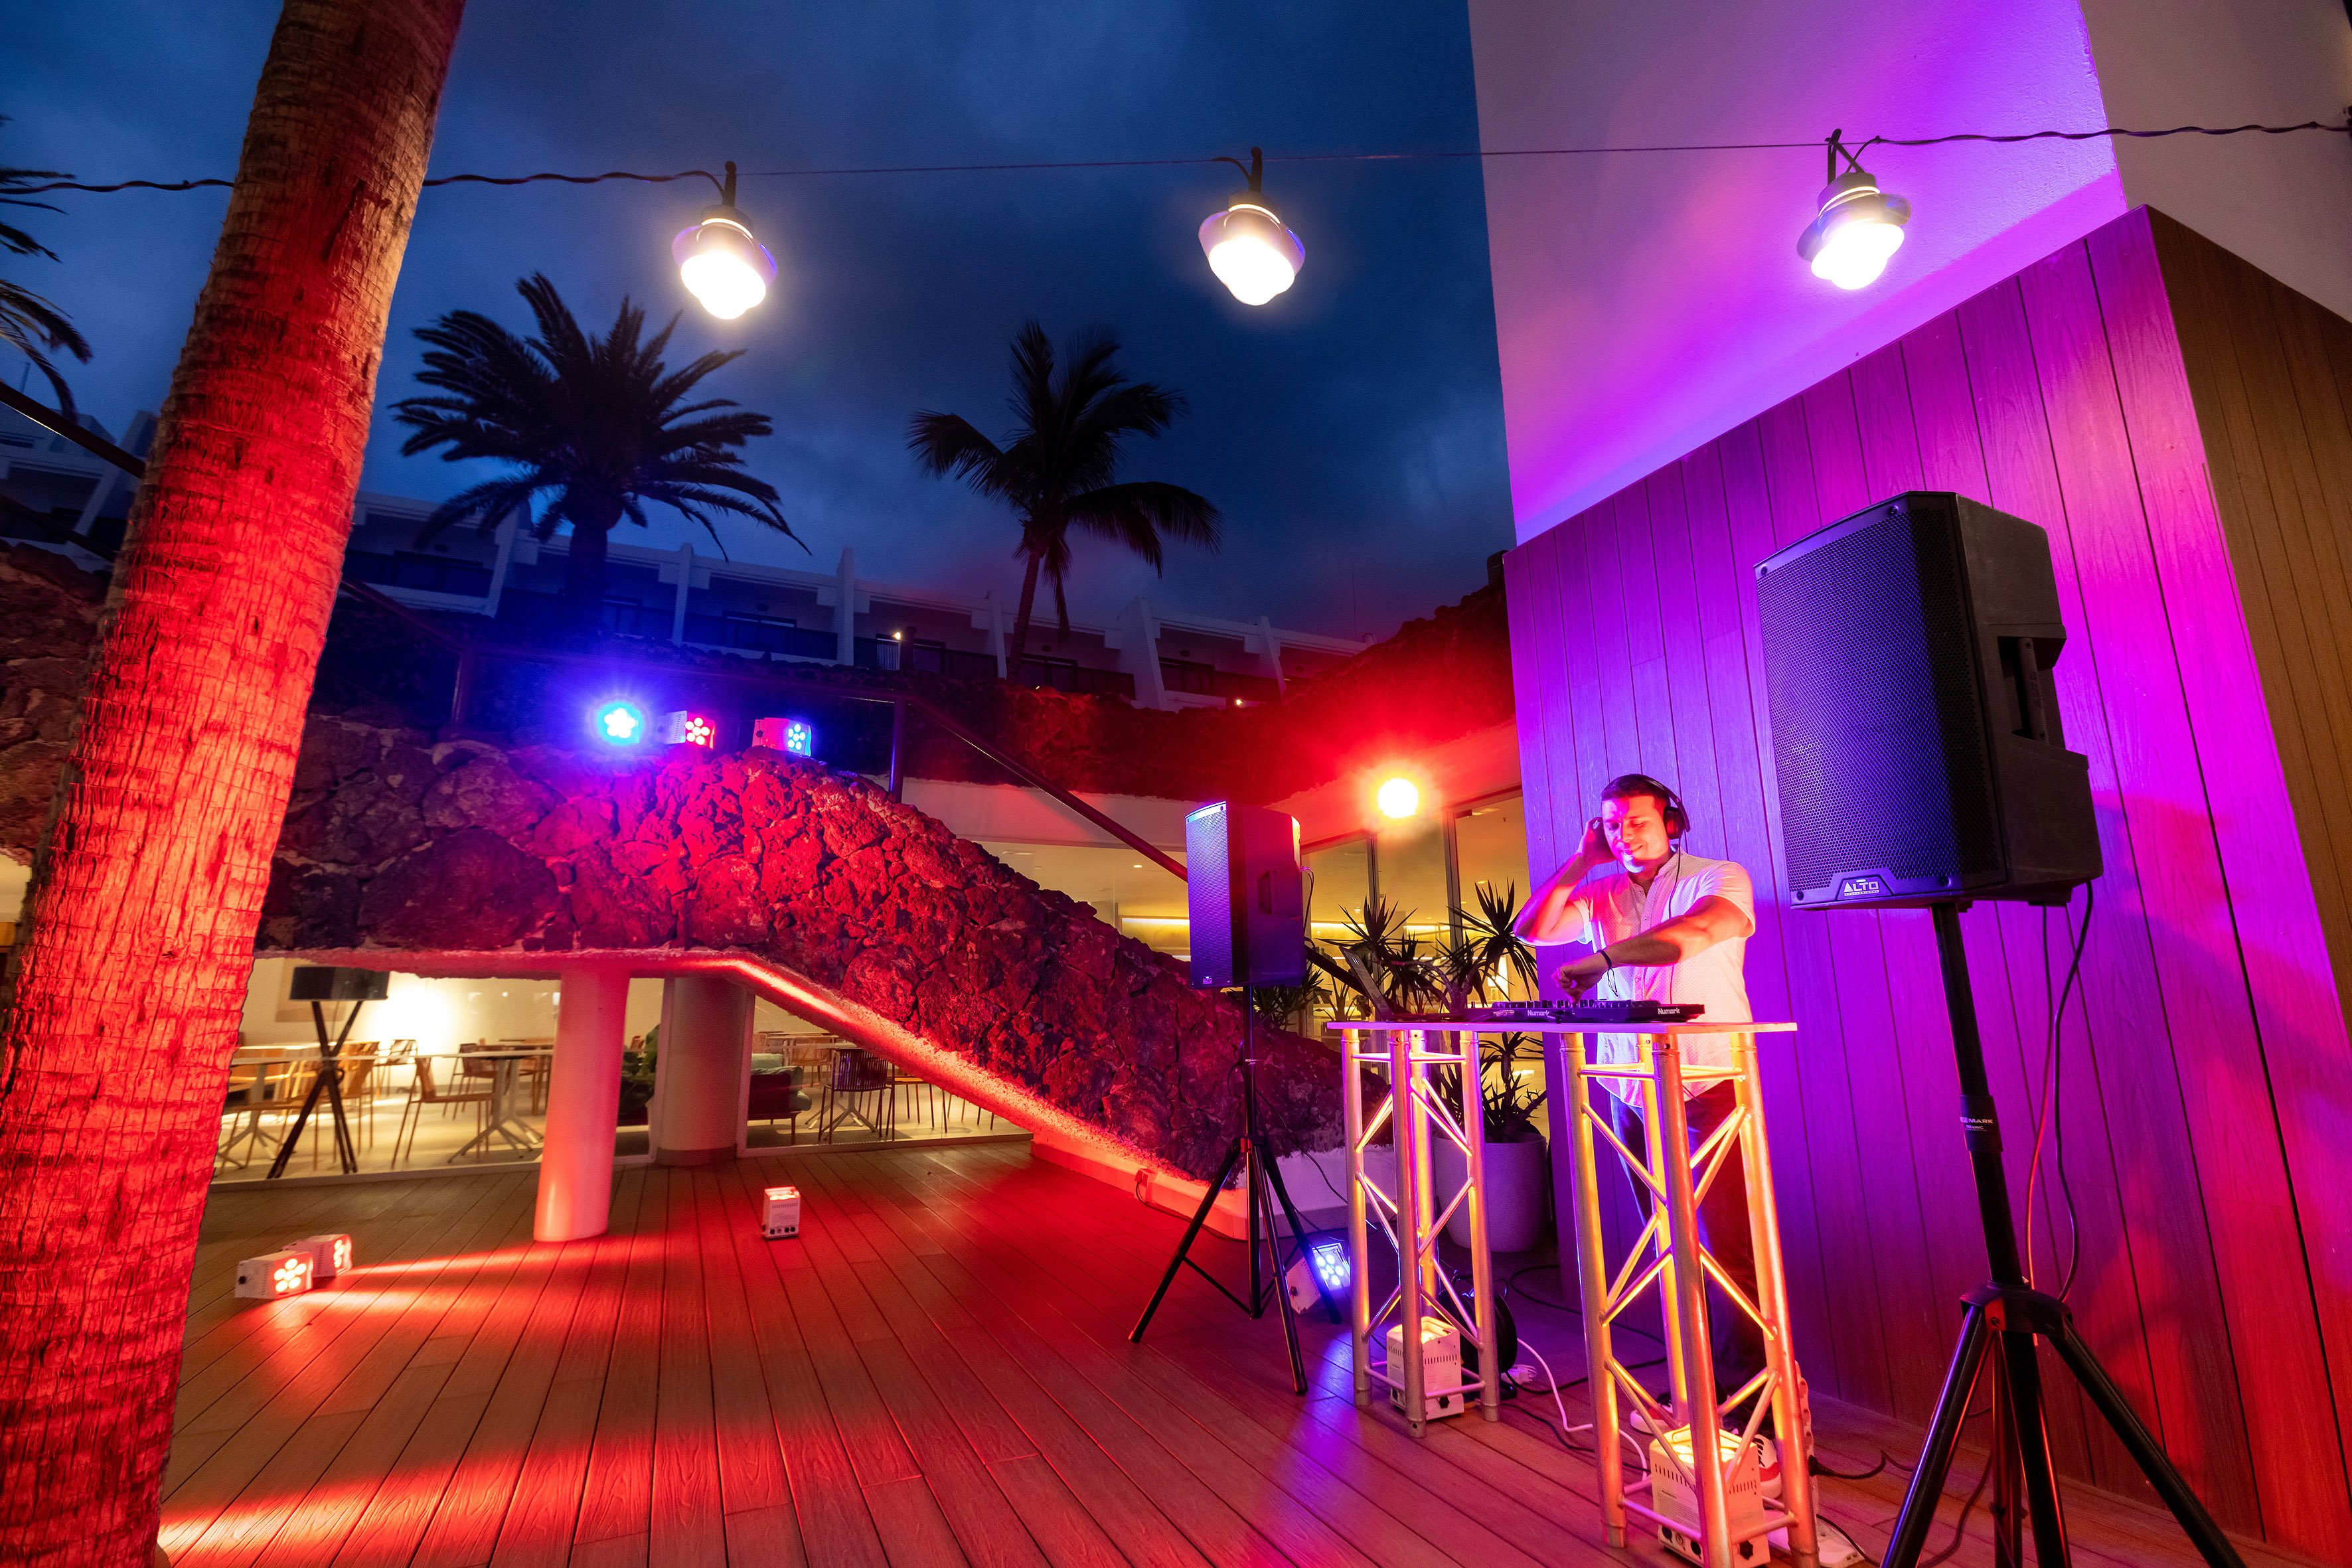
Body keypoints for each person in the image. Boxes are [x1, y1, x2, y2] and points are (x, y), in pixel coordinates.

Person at [1514, 772, 1766, 1401]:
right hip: (1629, 1090)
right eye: (1612, 823)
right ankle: (1695, 1387)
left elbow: (1699, 934)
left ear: (1672, 822)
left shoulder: (1718, 877)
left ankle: (1745, 1403)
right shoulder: (1599, 891)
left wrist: (1606, 959)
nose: (1623, 834)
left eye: (1637, 821)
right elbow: (1532, 929)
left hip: (1706, 1083)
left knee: (1726, 1250)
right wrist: (1579, 859)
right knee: (1666, 1248)